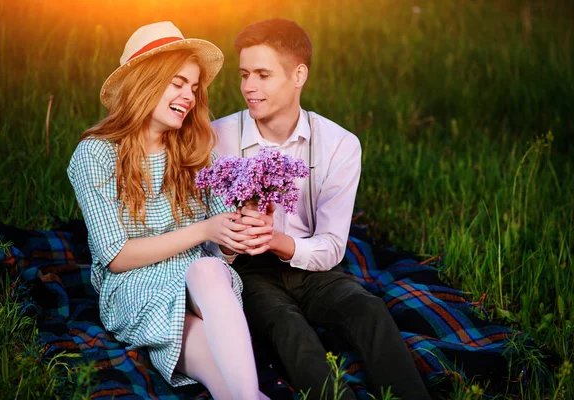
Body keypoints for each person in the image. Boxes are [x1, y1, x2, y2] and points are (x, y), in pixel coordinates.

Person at [212, 19, 431, 400]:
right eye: (244, 74)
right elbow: (208, 244)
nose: (249, 87)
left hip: (311, 262)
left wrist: (279, 239)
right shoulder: (217, 138)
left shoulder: (339, 144)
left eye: (263, 75)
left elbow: (331, 245)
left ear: (299, 75)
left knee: (369, 309)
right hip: (248, 270)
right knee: (286, 325)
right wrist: (235, 240)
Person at [67, 21, 271, 400]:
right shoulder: (95, 154)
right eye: (178, 84)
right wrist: (206, 231)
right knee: (233, 385)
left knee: (209, 268)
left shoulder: (196, 147)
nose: (189, 97)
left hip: (202, 281)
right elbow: (116, 256)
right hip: (134, 287)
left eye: (194, 88)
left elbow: (222, 248)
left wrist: (241, 228)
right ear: (145, 83)